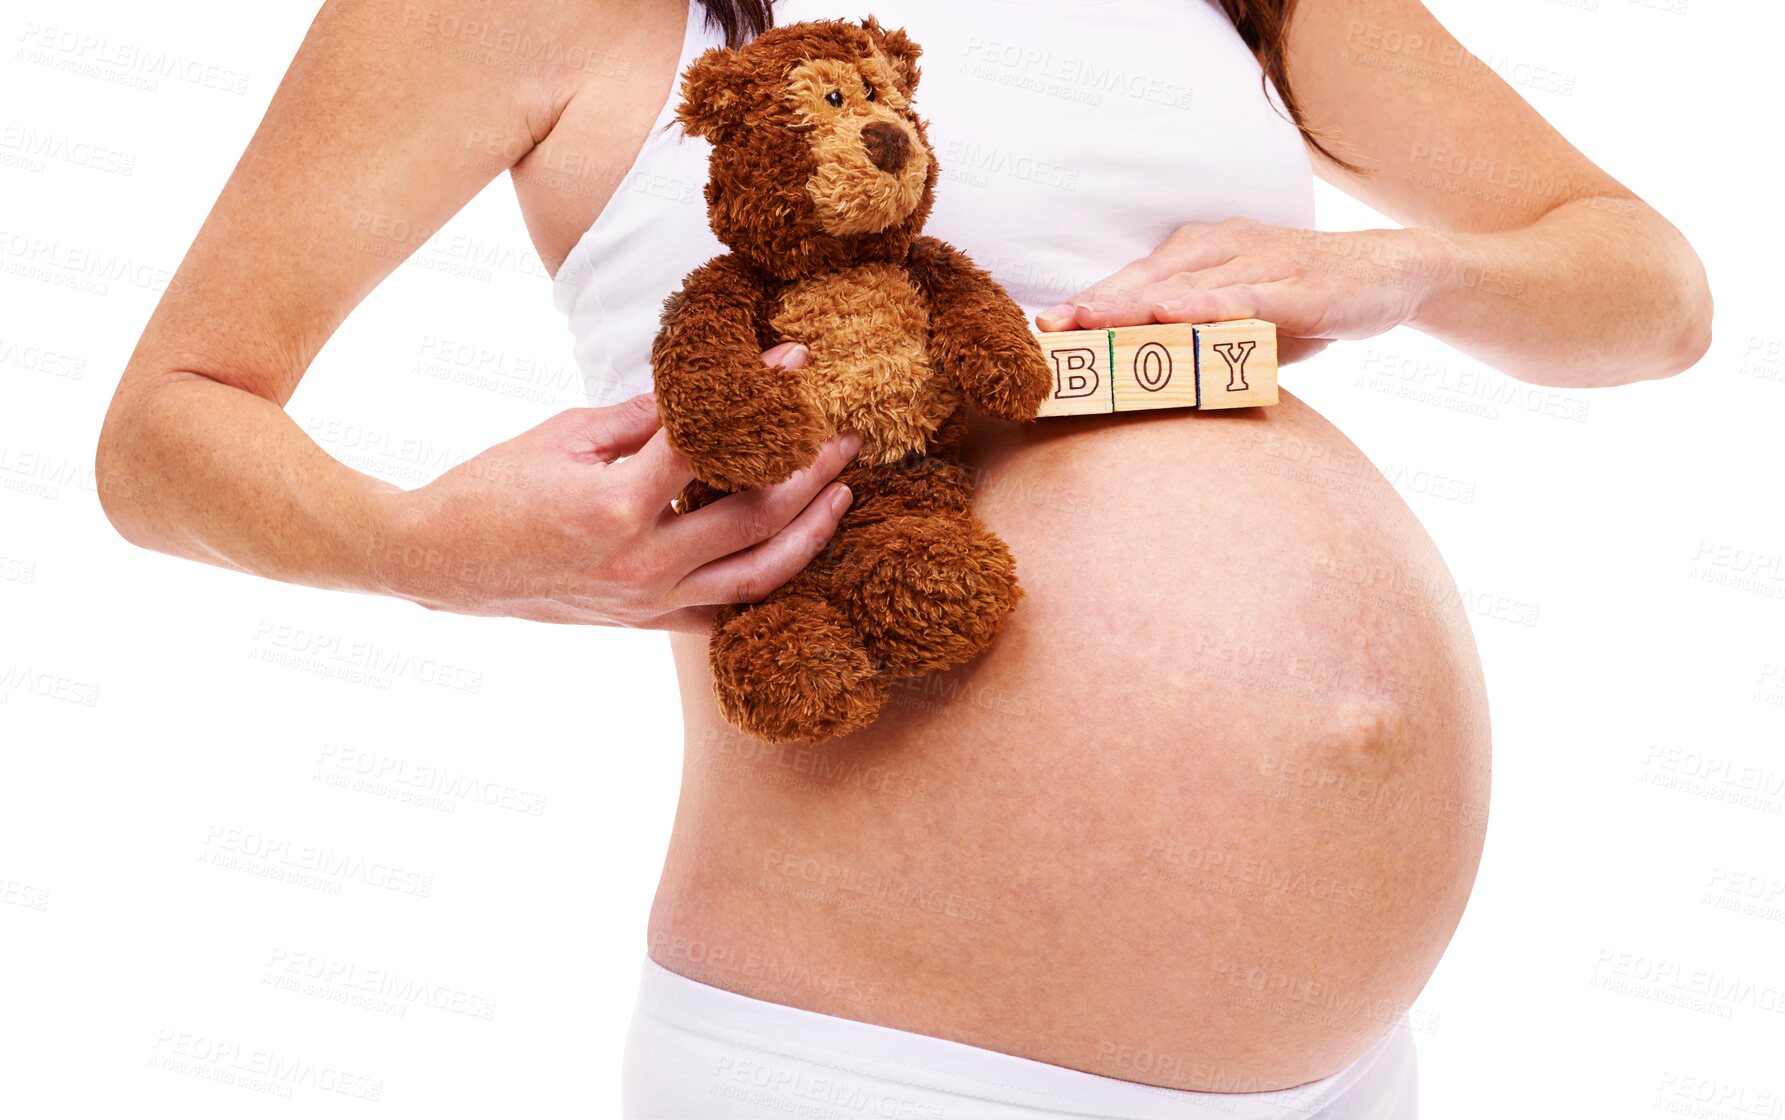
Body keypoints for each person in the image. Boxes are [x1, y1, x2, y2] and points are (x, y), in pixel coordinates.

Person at [95, 0, 1711, 1116]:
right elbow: (164, 430)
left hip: (1352, 1073)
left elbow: (1647, 288)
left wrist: (1399, 270)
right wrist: (416, 550)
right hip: (896, 1061)